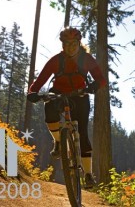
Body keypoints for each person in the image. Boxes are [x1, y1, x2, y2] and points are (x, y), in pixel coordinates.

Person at [27, 27, 106, 188]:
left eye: (74, 43)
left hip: (80, 94)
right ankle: (58, 141)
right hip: (59, 93)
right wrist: (33, 92)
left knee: (82, 133)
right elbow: (40, 80)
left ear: (79, 43)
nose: (70, 47)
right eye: (67, 44)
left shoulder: (86, 59)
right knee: (49, 109)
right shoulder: (56, 60)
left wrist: (93, 86)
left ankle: (88, 174)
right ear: (62, 45)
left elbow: (101, 79)